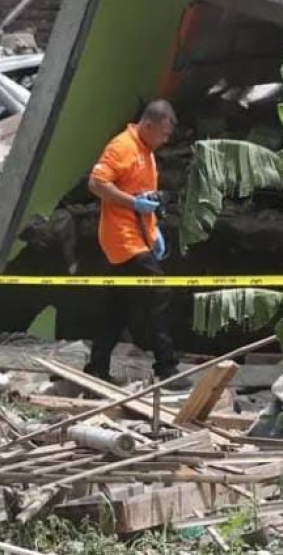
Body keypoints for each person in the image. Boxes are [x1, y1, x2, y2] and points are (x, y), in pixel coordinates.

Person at [84, 100, 180, 383]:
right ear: (148, 125)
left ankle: (97, 366)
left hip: (139, 236)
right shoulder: (122, 147)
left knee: (118, 306)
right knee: (158, 295)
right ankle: (166, 367)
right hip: (124, 239)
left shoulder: (145, 150)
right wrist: (133, 204)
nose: (165, 140)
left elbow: (143, 193)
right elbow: (96, 183)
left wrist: (154, 228)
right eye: (163, 134)